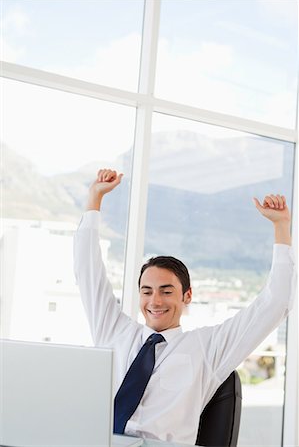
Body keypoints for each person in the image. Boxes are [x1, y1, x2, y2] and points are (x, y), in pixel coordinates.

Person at [74, 168, 296, 445]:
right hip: (100, 441)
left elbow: (275, 304)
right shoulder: (114, 331)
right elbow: (87, 272)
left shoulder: (207, 348)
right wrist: (94, 199)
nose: (155, 301)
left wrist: (281, 227)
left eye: (166, 291)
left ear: (187, 296)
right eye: (147, 291)